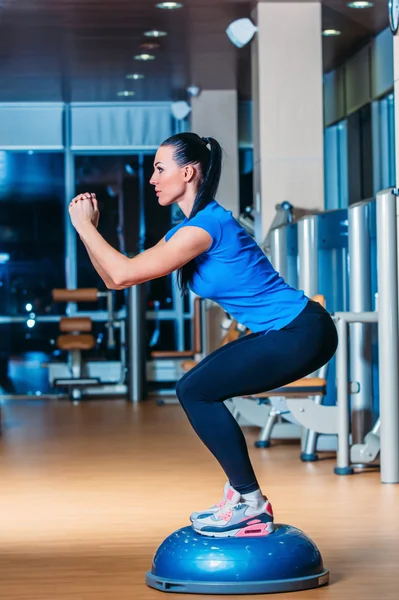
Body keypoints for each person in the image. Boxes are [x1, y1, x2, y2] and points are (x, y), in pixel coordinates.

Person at [69, 132, 338, 539]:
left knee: (195, 390)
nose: (153, 179)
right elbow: (116, 279)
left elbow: (122, 273)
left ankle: (250, 504)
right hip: (286, 330)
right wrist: (88, 231)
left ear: (188, 172)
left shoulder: (203, 228)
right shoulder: (190, 227)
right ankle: (241, 496)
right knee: (193, 386)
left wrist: (84, 227)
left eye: (160, 169)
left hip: (301, 330)